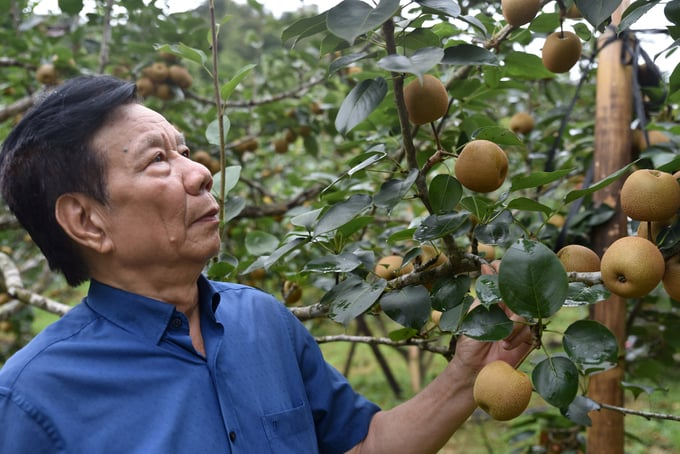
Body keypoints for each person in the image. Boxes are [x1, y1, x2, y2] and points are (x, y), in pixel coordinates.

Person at [0, 75, 532, 453]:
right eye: (158, 159)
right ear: (87, 222)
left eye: (185, 151)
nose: (201, 172)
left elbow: (364, 445)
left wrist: (467, 377)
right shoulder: (31, 400)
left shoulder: (262, 320)